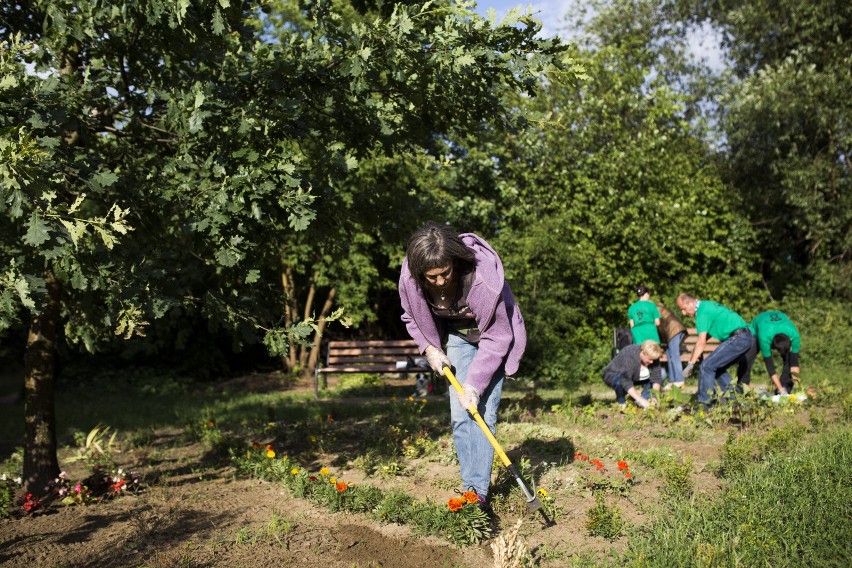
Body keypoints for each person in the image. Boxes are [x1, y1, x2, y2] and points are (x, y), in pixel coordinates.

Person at [398, 221, 526, 509]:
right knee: (460, 413)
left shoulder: (483, 278)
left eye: (445, 273)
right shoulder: (410, 278)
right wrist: (429, 347)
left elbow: (498, 336)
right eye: (432, 278)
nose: (441, 282)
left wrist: (474, 385)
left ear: (454, 259)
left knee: (480, 411)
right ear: (419, 272)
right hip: (458, 336)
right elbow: (411, 317)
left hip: (493, 341)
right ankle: (470, 487)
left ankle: (478, 493)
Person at [676, 294, 754, 408]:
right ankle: (736, 401)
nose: (683, 313)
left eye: (683, 309)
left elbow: (701, 342)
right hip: (745, 337)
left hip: (738, 338)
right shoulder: (706, 305)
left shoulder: (702, 313)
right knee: (716, 367)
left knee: (706, 366)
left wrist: (690, 364)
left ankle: (706, 405)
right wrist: (696, 353)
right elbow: (704, 337)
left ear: (690, 303)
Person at [747, 310, 802, 395]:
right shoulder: (764, 338)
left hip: (779, 319)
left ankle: (785, 387)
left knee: (789, 359)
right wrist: (780, 389)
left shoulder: (794, 336)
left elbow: (794, 364)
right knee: (748, 358)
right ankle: (741, 387)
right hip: (758, 325)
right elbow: (770, 368)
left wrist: (799, 389)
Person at [602, 340, 664, 408]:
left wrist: (655, 397)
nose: (652, 362)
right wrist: (639, 399)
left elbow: (657, 377)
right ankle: (621, 402)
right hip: (613, 374)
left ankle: (646, 400)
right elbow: (625, 380)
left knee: (662, 373)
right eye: (650, 359)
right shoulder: (630, 353)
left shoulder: (653, 355)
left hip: (633, 376)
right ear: (643, 353)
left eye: (653, 360)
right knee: (619, 381)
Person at [656, 301, 688, 389]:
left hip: (674, 330)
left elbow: (658, 325)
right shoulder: (659, 307)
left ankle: (679, 380)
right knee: (669, 354)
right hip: (674, 331)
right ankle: (672, 380)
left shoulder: (654, 308)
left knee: (674, 355)